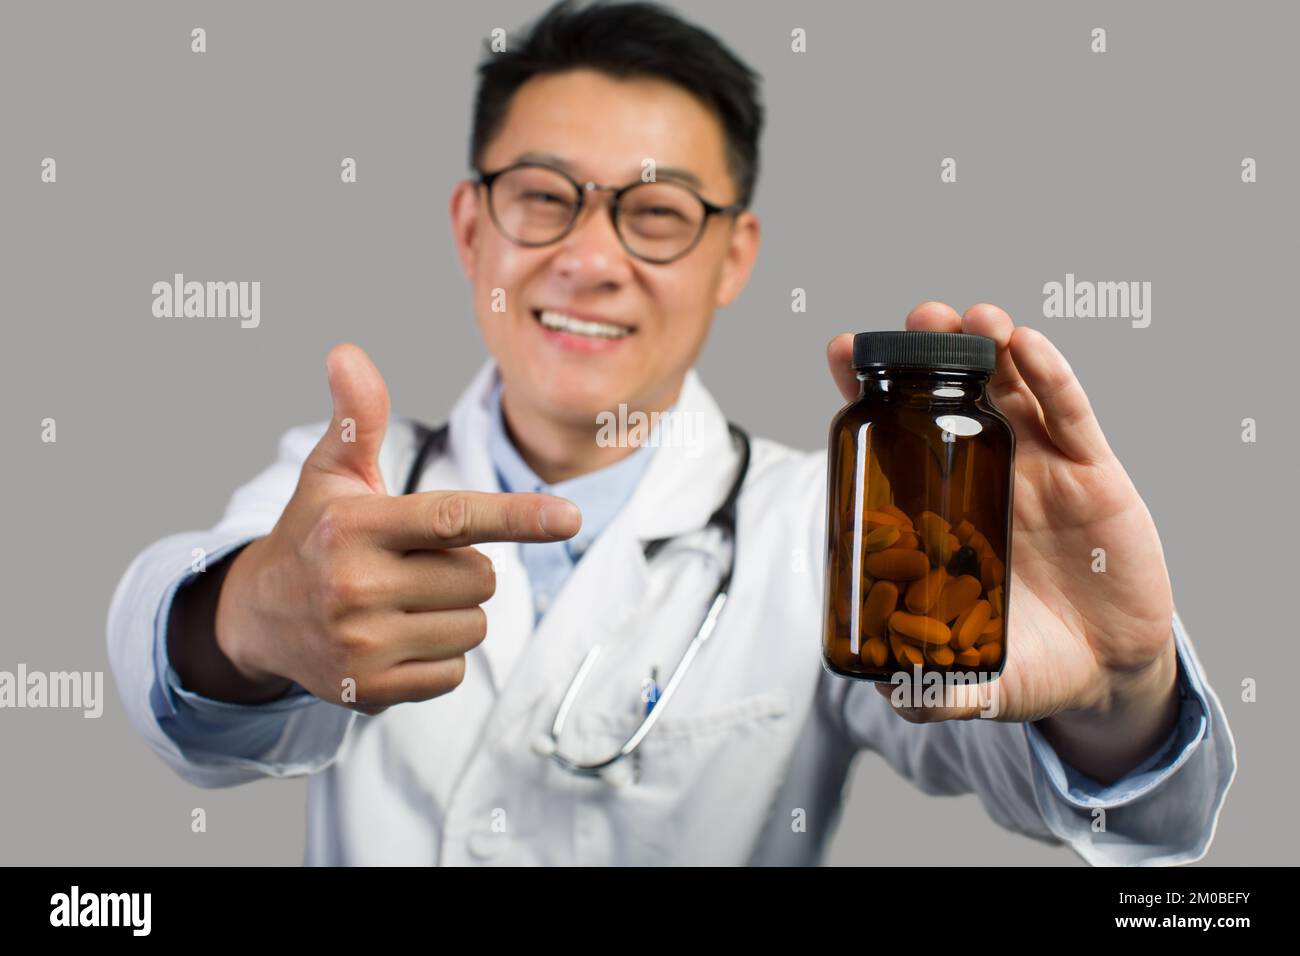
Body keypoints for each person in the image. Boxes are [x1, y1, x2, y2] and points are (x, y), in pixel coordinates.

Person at [107, 0, 1235, 865]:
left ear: (732, 255)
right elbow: (183, 700)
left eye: (654, 213)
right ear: (471, 226)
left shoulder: (835, 528)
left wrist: (1119, 688)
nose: (590, 258)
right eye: (543, 196)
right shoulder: (351, 484)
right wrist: (250, 612)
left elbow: (1096, 806)